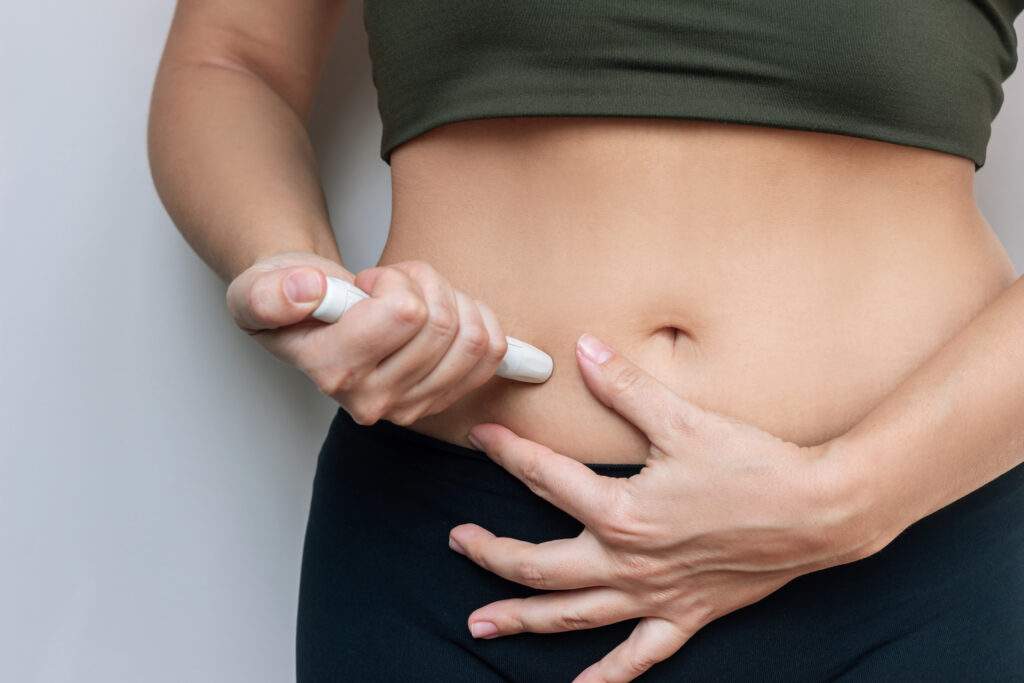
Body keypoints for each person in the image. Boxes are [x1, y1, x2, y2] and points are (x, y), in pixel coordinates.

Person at [148, 1, 1024, 681]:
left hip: (916, 559)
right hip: (453, 558)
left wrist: (843, 500)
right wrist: (293, 269)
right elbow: (232, 59)